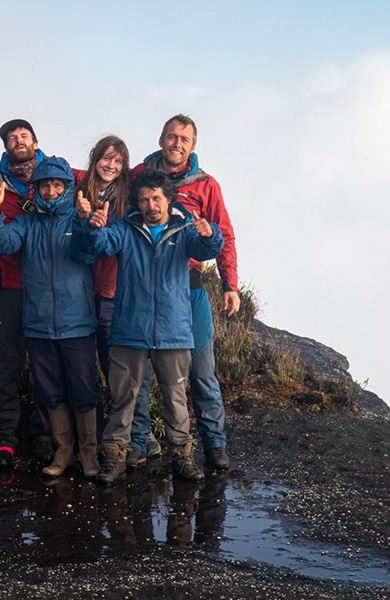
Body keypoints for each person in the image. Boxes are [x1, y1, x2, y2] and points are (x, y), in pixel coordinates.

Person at [75, 169, 224, 484]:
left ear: (169, 200)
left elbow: (206, 250)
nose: (150, 204)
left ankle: (183, 458)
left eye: (156, 198)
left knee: (176, 399)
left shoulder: (184, 230)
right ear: (137, 203)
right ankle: (114, 458)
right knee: (123, 397)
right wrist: (92, 226)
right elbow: (99, 244)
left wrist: (209, 232)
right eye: (144, 199)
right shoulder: (125, 229)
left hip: (173, 331)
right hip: (130, 328)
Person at [0, 156, 102, 478]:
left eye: (56, 184)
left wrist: (85, 223)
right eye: (44, 185)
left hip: (76, 323)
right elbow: (2, 244)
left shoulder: (77, 219)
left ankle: (89, 455)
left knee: (83, 388)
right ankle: (63, 453)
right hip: (38, 323)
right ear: (35, 189)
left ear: (67, 186)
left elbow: (87, 253)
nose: (50, 190)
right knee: (50, 390)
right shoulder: (26, 222)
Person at [130, 114, 239, 470]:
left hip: (189, 288)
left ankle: (214, 445)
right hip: (143, 289)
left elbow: (224, 235)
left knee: (201, 371)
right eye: (171, 136)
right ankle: (140, 441)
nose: (177, 143)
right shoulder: (139, 176)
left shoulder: (206, 185)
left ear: (193, 146)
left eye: (184, 140)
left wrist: (229, 284)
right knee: (141, 375)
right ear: (161, 138)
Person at [74, 136, 161, 467]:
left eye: (118, 161)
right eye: (105, 158)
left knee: (125, 371)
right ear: (95, 158)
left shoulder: (130, 195)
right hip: (83, 293)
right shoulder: (80, 189)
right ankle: (103, 440)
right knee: (92, 371)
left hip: (118, 294)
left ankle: (139, 437)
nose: (110, 165)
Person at [0, 119, 54, 470]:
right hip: (8, 289)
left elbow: (108, 173)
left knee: (46, 369)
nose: (18, 141)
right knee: (3, 369)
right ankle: (5, 441)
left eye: (23, 135)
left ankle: (43, 436)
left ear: (36, 142)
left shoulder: (58, 176)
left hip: (47, 292)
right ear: (6, 148)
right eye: (11, 138)